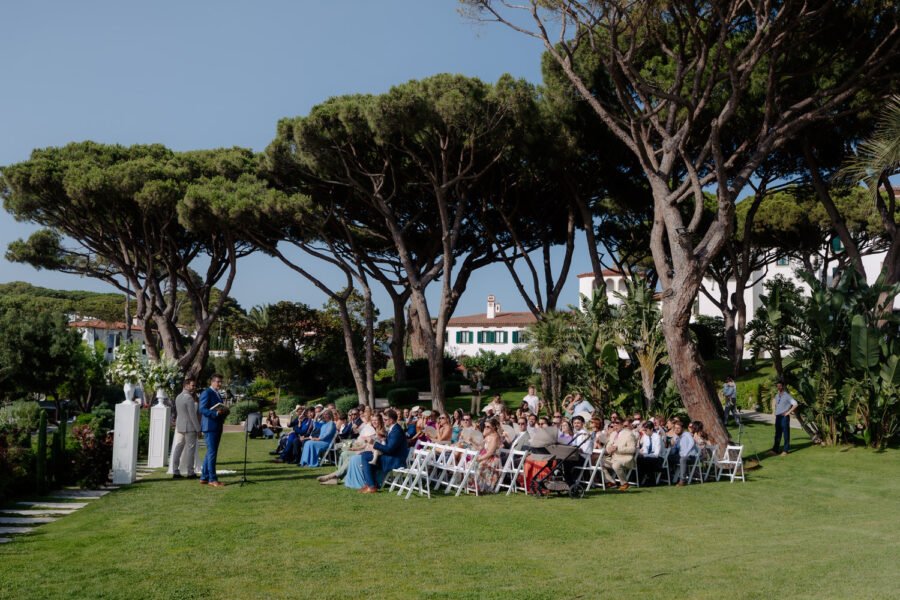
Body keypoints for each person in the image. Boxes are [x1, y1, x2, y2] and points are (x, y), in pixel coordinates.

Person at [359, 409, 408, 493]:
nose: (384, 421)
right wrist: (382, 440)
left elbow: (389, 449)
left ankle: (371, 486)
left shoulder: (396, 431)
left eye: (385, 420)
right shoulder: (394, 428)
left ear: (391, 420)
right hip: (392, 456)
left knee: (365, 456)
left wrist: (373, 442)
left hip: (395, 460)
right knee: (366, 454)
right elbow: (390, 446)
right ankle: (372, 484)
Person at [199, 373, 228, 487]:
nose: (220, 384)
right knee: (212, 453)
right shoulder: (207, 392)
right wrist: (215, 413)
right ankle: (212, 479)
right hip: (210, 427)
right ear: (212, 382)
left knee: (210, 452)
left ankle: (204, 477)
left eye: (221, 382)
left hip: (216, 426)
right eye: (218, 382)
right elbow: (202, 409)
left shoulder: (217, 393)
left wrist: (224, 411)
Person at [171, 378, 200, 479]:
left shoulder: (178, 397)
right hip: (190, 427)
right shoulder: (189, 398)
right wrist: (198, 428)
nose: (194, 387)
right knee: (190, 450)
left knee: (178, 448)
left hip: (180, 426)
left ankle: (175, 471)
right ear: (186, 385)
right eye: (193, 385)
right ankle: (190, 472)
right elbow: (192, 415)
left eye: (194, 385)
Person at [601, 420, 637, 490]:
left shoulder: (629, 434)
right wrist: (609, 449)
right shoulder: (613, 434)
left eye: (617, 423)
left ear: (622, 424)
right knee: (600, 462)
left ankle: (624, 483)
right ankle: (611, 482)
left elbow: (633, 449)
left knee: (616, 464)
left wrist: (618, 448)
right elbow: (608, 446)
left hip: (625, 458)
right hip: (614, 457)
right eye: (613, 424)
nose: (615, 425)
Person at [475, 418, 502, 493]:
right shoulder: (488, 436)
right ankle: (473, 486)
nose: (485, 428)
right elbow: (480, 447)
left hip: (493, 460)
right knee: (469, 463)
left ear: (493, 427)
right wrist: (472, 441)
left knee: (479, 465)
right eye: (485, 426)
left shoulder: (495, 437)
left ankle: (480, 487)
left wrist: (480, 459)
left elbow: (490, 452)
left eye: (488, 427)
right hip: (486, 457)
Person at [772, 380, 798, 456]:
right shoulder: (777, 395)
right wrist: (774, 411)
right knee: (777, 434)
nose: (778, 387)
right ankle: (775, 450)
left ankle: (785, 450)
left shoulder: (787, 396)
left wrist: (788, 412)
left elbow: (795, 404)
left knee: (786, 433)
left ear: (783, 386)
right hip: (778, 417)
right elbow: (776, 404)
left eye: (780, 386)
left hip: (784, 417)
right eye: (777, 386)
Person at [669, 420, 696, 486]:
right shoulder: (677, 437)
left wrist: (686, 453)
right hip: (681, 456)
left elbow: (692, 443)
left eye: (678, 428)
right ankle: (669, 477)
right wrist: (672, 445)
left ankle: (682, 480)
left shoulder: (687, 434)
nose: (676, 430)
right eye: (675, 428)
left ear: (682, 429)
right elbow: (674, 450)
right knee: (668, 458)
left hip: (691, 456)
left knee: (682, 459)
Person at [637, 421, 662, 485]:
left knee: (645, 460)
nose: (645, 432)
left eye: (646, 430)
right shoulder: (645, 436)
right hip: (649, 457)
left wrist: (645, 455)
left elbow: (656, 454)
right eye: (644, 430)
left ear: (651, 429)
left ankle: (650, 481)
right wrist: (643, 454)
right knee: (639, 459)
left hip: (659, 458)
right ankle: (639, 480)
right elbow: (645, 449)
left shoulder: (657, 437)